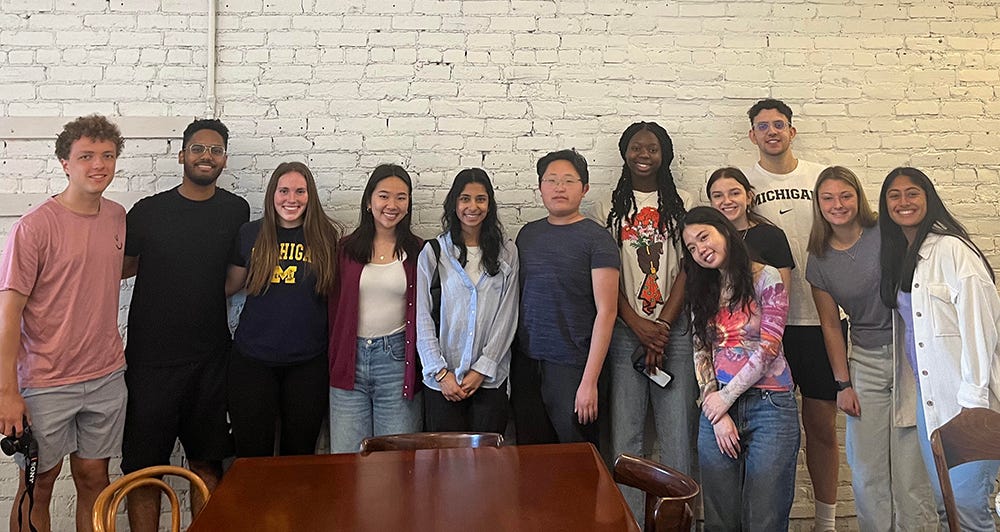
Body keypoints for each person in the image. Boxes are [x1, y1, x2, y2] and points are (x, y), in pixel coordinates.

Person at [121, 118, 249, 531]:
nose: (206, 156)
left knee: (207, 464)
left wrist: (197, 296)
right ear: (182, 155)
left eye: (214, 150)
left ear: (225, 159)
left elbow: (234, 278)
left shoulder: (236, 210)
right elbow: (120, 269)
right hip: (149, 364)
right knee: (145, 469)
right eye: (197, 149)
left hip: (210, 361)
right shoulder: (147, 212)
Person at [0, 115, 126, 532]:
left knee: (95, 480)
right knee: (39, 485)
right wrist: (7, 393)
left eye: (107, 156)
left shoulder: (117, 217)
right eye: (86, 156)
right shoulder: (34, 227)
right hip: (45, 382)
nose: (99, 165)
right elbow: (9, 315)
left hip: (107, 377)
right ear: (64, 162)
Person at [806, 166, 935, 531]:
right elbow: (831, 324)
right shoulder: (818, 257)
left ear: (858, 197)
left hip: (911, 358)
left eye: (845, 196)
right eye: (828, 198)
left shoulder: (885, 232)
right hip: (864, 361)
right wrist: (843, 384)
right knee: (866, 471)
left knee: (912, 472)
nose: (838, 204)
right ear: (818, 204)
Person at [879, 167, 1000, 532]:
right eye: (894, 195)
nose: (904, 201)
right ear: (885, 206)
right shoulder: (904, 254)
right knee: (946, 503)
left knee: (968, 506)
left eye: (912, 192)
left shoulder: (953, 250)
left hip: (967, 398)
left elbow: (983, 326)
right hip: (929, 396)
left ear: (928, 198)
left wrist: (975, 401)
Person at [744, 98, 841, 530]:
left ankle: (827, 522)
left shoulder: (820, 176)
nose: (772, 132)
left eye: (779, 124)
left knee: (821, 425)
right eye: (763, 126)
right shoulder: (742, 182)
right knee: (767, 432)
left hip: (820, 321)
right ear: (752, 135)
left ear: (792, 131)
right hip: (766, 325)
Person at [592, 122, 696, 519]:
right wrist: (635, 322)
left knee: (677, 438)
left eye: (653, 149)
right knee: (626, 439)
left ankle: (675, 524)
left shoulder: (684, 200)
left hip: (675, 334)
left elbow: (689, 268)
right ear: (624, 152)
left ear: (664, 154)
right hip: (623, 331)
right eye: (637, 147)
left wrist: (663, 327)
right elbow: (604, 273)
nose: (644, 155)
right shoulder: (606, 207)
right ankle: (630, 523)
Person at [681, 206, 799, 532]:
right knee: (720, 519)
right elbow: (700, 351)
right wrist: (715, 408)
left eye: (704, 237)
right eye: (691, 247)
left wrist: (725, 399)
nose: (700, 249)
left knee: (766, 518)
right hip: (717, 409)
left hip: (770, 406)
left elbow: (769, 346)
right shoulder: (701, 288)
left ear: (724, 231)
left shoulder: (767, 277)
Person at [225, 162, 340, 457]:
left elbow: (335, 295)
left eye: (300, 191)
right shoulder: (251, 233)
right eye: (284, 190)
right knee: (251, 456)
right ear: (272, 194)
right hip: (253, 361)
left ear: (310, 195)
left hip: (308, 362)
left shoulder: (326, 236)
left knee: (299, 457)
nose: (292, 199)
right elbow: (230, 285)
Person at [511, 149, 619, 447]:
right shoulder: (528, 235)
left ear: (584, 188)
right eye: (552, 180)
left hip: (575, 367)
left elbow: (607, 312)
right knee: (531, 457)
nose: (559, 188)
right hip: (528, 365)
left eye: (569, 181)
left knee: (578, 463)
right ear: (540, 187)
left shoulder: (597, 239)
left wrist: (589, 382)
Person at [328, 164, 423, 453]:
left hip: (397, 362)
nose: (391, 205)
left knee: (397, 464)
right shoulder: (344, 249)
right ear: (369, 201)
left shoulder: (419, 251)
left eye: (401, 197)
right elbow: (331, 310)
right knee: (347, 462)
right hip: (349, 361)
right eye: (384, 196)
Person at [416, 168, 518, 433]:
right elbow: (422, 318)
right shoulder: (433, 252)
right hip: (442, 383)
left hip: (489, 381)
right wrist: (439, 372)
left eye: (480, 199)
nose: (473, 206)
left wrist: (483, 369)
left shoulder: (507, 252)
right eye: (465, 198)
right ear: (454, 203)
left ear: (490, 203)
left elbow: (507, 316)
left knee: (486, 466)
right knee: (444, 466)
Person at [707, 167, 793, 289]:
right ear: (711, 202)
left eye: (735, 193)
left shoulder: (772, 236)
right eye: (718, 196)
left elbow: (782, 297)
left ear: (748, 197)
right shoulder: (705, 240)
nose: (727, 201)